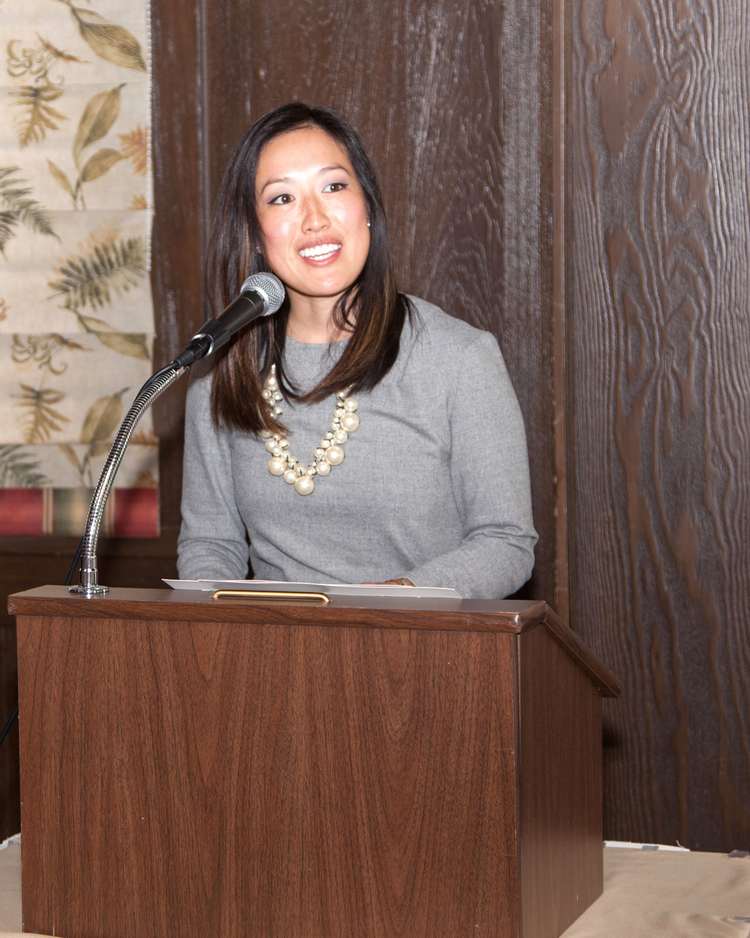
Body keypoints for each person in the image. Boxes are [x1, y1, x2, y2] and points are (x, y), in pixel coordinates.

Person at [177, 102, 537, 598]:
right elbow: (209, 546)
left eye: (333, 187)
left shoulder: (459, 359)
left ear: (366, 205)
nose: (314, 218)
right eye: (282, 198)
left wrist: (390, 602)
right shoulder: (220, 381)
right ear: (255, 233)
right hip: (274, 645)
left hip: (422, 640)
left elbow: (506, 542)